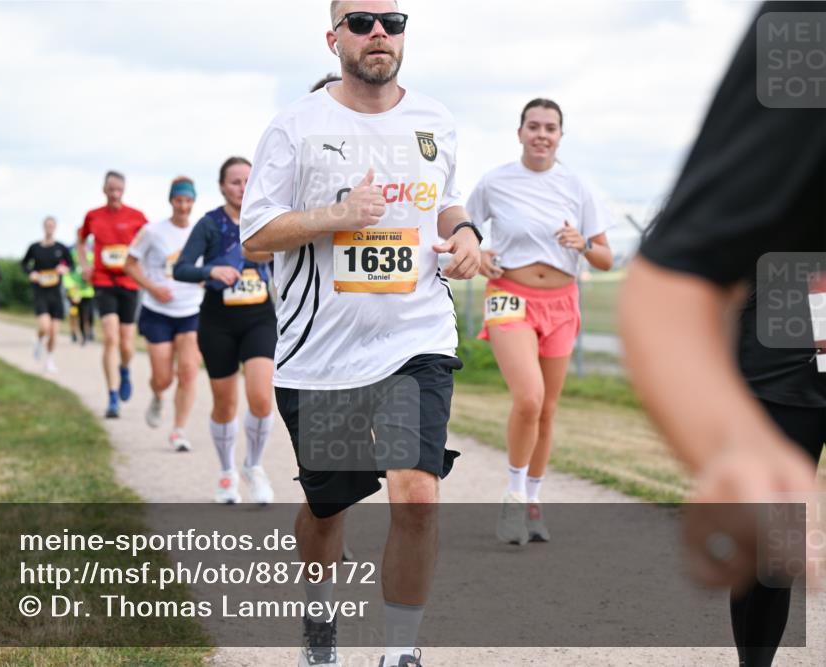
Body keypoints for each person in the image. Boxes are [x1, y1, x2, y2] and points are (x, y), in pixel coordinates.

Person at [241, 3, 481, 665]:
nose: (380, 32)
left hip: (416, 337)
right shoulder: (296, 125)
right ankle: (319, 619)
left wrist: (464, 233)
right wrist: (339, 215)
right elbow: (257, 236)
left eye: (393, 21)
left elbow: (448, 199)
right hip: (322, 356)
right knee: (327, 509)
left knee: (418, 491)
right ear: (334, 37)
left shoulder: (435, 119)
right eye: (362, 21)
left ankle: (400, 651)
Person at [619, 3, 824, 666]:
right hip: (787, 338)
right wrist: (731, 444)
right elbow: (673, 277)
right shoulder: (806, 26)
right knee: (773, 539)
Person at [465, 98, 614, 545]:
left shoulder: (577, 186)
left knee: (547, 409)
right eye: (534, 126)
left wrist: (583, 241)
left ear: (560, 136)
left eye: (550, 128)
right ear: (520, 133)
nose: (541, 134)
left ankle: (533, 499)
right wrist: (480, 255)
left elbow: (605, 258)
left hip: (562, 302)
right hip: (510, 296)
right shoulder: (495, 182)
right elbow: (461, 233)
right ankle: (511, 496)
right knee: (528, 398)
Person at [174, 158, 277, 504]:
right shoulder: (209, 224)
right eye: (235, 182)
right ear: (221, 186)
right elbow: (181, 269)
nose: (242, 188)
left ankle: (254, 466)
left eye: (248, 180)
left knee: (262, 398)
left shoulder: (268, 222)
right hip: (218, 320)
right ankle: (226, 473)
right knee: (225, 402)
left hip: (260, 317)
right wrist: (212, 270)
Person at [126, 176, 204, 450]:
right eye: (178, 200)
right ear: (171, 201)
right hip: (157, 311)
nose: (183, 206)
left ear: (194, 202)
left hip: (190, 311)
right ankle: (158, 395)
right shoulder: (152, 232)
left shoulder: (200, 231)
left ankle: (178, 431)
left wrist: (207, 277)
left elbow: (208, 267)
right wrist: (153, 288)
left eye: (188, 201)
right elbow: (130, 264)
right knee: (163, 377)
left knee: (188, 371)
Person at [78, 171, 148, 418]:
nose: (115, 193)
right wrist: (84, 265)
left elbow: (150, 243)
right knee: (110, 338)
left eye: (119, 189)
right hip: (103, 280)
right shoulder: (93, 216)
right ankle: (112, 395)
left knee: (127, 343)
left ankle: (125, 369)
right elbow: (80, 239)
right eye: (111, 189)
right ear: (104, 189)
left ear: (124, 189)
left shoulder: (137, 217)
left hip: (129, 283)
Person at [22, 216, 74, 373]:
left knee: (54, 332)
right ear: (43, 227)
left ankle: (49, 359)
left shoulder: (61, 247)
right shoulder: (34, 247)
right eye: (47, 225)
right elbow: (24, 264)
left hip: (56, 292)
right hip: (40, 292)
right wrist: (32, 273)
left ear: (55, 227)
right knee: (45, 327)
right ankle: (38, 340)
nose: (49, 228)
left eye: (52, 225)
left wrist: (65, 269)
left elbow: (70, 264)